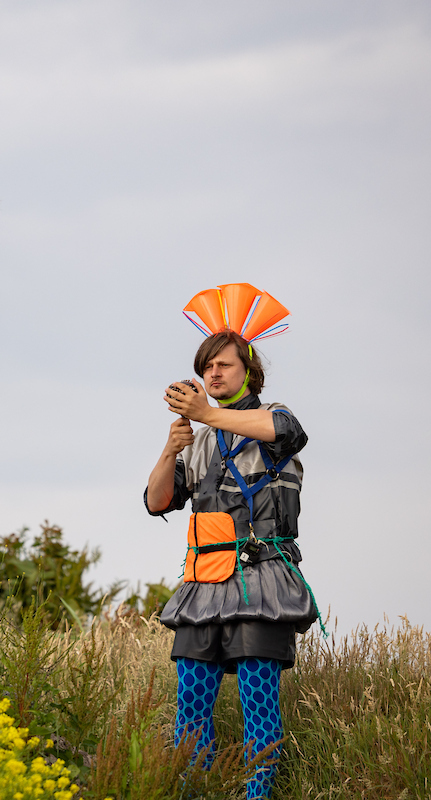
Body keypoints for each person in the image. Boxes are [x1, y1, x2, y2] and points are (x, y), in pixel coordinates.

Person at [145, 284, 318, 800]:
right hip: (203, 583)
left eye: (224, 365)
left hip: (261, 580)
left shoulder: (274, 419)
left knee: (257, 702)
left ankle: (258, 794)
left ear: (249, 373)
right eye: (208, 366)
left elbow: (285, 429)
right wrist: (169, 447)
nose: (213, 374)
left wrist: (206, 414)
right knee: (191, 701)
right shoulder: (197, 438)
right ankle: (192, 790)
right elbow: (157, 503)